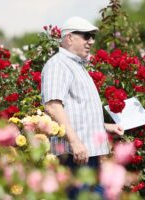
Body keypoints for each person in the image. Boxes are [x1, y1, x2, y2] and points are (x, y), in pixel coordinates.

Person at [41, 16, 124, 170]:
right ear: (69, 38)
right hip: (72, 155)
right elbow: (53, 106)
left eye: (92, 37)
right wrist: (74, 142)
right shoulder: (58, 64)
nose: (91, 41)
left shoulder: (76, 66)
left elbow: (78, 112)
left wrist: (106, 126)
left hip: (85, 153)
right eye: (86, 36)